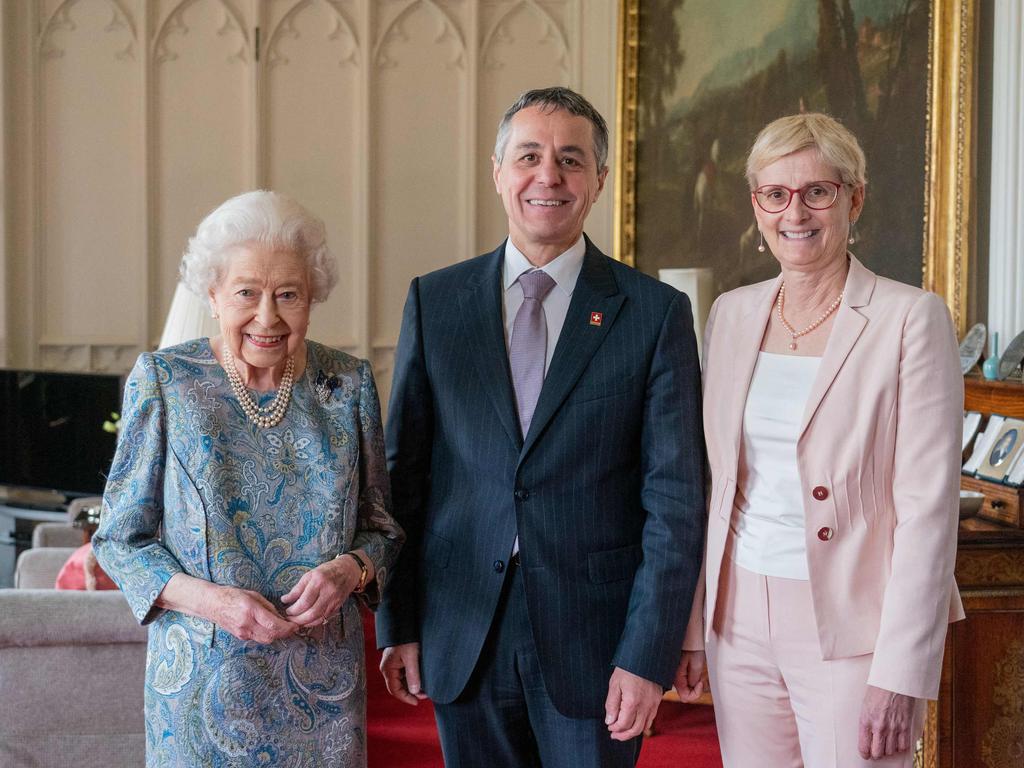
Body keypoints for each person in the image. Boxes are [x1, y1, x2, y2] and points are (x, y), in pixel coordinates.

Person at [375, 86, 706, 767]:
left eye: (571, 159)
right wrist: (397, 625)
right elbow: (402, 478)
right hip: (463, 628)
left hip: (598, 642)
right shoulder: (435, 303)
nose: (548, 175)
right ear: (498, 172)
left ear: (598, 181)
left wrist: (648, 655)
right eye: (528, 156)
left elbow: (675, 502)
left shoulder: (653, 314)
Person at [674, 113, 965, 767]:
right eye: (775, 194)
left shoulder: (910, 319)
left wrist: (902, 670)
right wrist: (695, 626)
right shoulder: (731, 313)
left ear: (853, 198)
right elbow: (713, 485)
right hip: (738, 616)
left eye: (818, 192)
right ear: (756, 204)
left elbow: (927, 511)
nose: (794, 212)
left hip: (854, 622)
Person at [93, 190, 404, 767]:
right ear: (213, 295)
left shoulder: (348, 385)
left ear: (312, 298)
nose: (268, 316)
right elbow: (119, 541)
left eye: (289, 294)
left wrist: (351, 569)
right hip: (199, 684)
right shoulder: (166, 381)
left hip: (323, 690)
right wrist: (214, 603)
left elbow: (382, 529)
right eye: (246, 293)